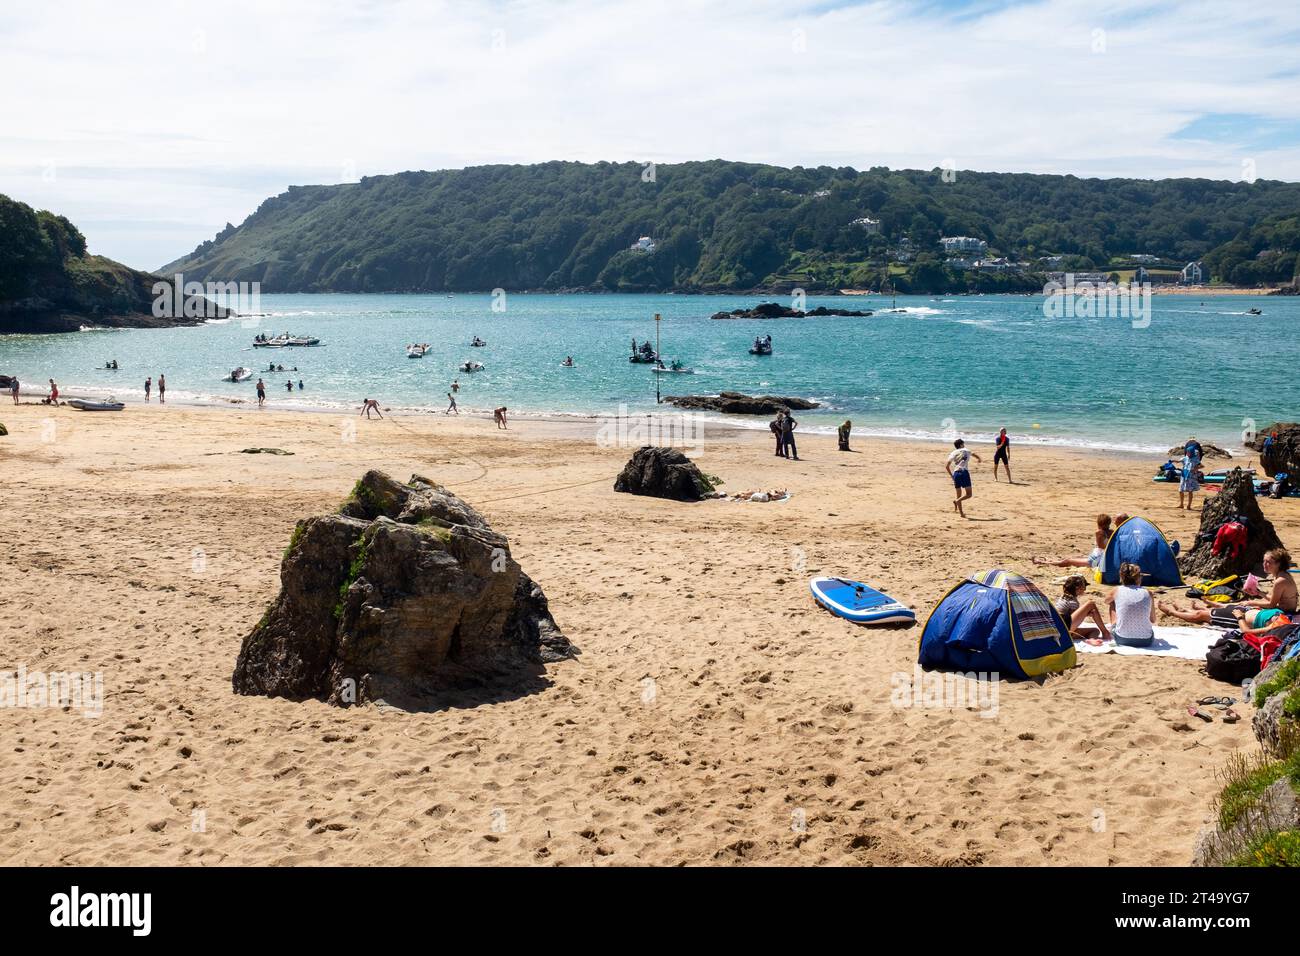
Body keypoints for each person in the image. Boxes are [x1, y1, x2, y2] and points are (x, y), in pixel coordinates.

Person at [1159, 548, 1296, 626]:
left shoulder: (1280, 580)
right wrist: (1258, 593)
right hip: (1274, 611)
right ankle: (1187, 609)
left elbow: (1272, 604)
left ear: (1279, 564)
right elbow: (1275, 600)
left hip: (1279, 613)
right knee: (1231, 606)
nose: (1265, 565)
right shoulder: (1280, 576)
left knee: (1203, 614)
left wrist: (1251, 601)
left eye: (1269, 562)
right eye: (1264, 561)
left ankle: (1172, 612)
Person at [1033, 513, 1113, 570]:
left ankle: (1043, 563)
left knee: (1068, 561)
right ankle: (1051, 561)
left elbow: (1101, 546)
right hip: (1102, 558)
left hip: (1096, 561)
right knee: (1073, 559)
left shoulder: (1099, 533)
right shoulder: (1112, 532)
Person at [1107, 562, 1155, 647]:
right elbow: (1153, 620)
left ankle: (1114, 625)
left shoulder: (1117, 590)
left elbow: (1106, 601)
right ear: (1138, 578)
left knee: (1112, 602)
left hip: (1122, 639)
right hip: (1146, 640)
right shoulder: (1148, 593)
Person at [1056, 575, 1111, 641]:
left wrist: (1087, 614)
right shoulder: (1073, 602)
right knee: (1091, 604)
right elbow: (1073, 619)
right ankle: (1105, 632)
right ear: (1078, 588)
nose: (1085, 590)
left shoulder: (1064, 597)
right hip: (1064, 627)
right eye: (1084, 587)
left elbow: (1072, 617)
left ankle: (1091, 640)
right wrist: (1086, 614)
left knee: (1095, 630)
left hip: (1061, 630)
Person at [945, 439, 982, 517]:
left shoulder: (953, 453)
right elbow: (974, 454)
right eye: (963, 444)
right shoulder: (966, 450)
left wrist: (952, 476)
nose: (964, 445)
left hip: (956, 473)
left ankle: (961, 513)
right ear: (961, 445)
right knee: (969, 494)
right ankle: (956, 501)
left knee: (959, 495)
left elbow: (947, 466)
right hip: (964, 472)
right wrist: (979, 458)